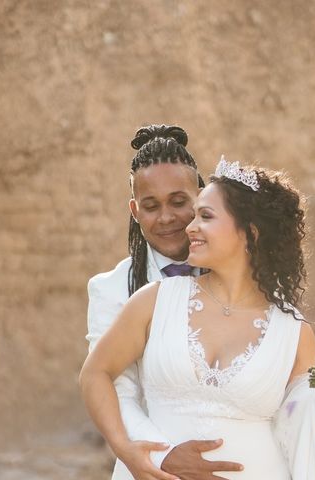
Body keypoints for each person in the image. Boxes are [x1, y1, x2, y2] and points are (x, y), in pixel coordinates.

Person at [81, 157, 315, 479]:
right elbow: (95, 373)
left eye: (205, 217)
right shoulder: (155, 300)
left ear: (250, 232)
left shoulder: (293, 331)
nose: (190, 227)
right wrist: (126, 449)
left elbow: (293, 426)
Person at [86, 125, 244, 479]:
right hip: (151, 468)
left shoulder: (240, 278)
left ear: (201, 197)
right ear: (134, 210)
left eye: (178, 201)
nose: (167, 217)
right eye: (151, 206)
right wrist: (164, 456)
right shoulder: (111, 290)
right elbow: (116, 389)